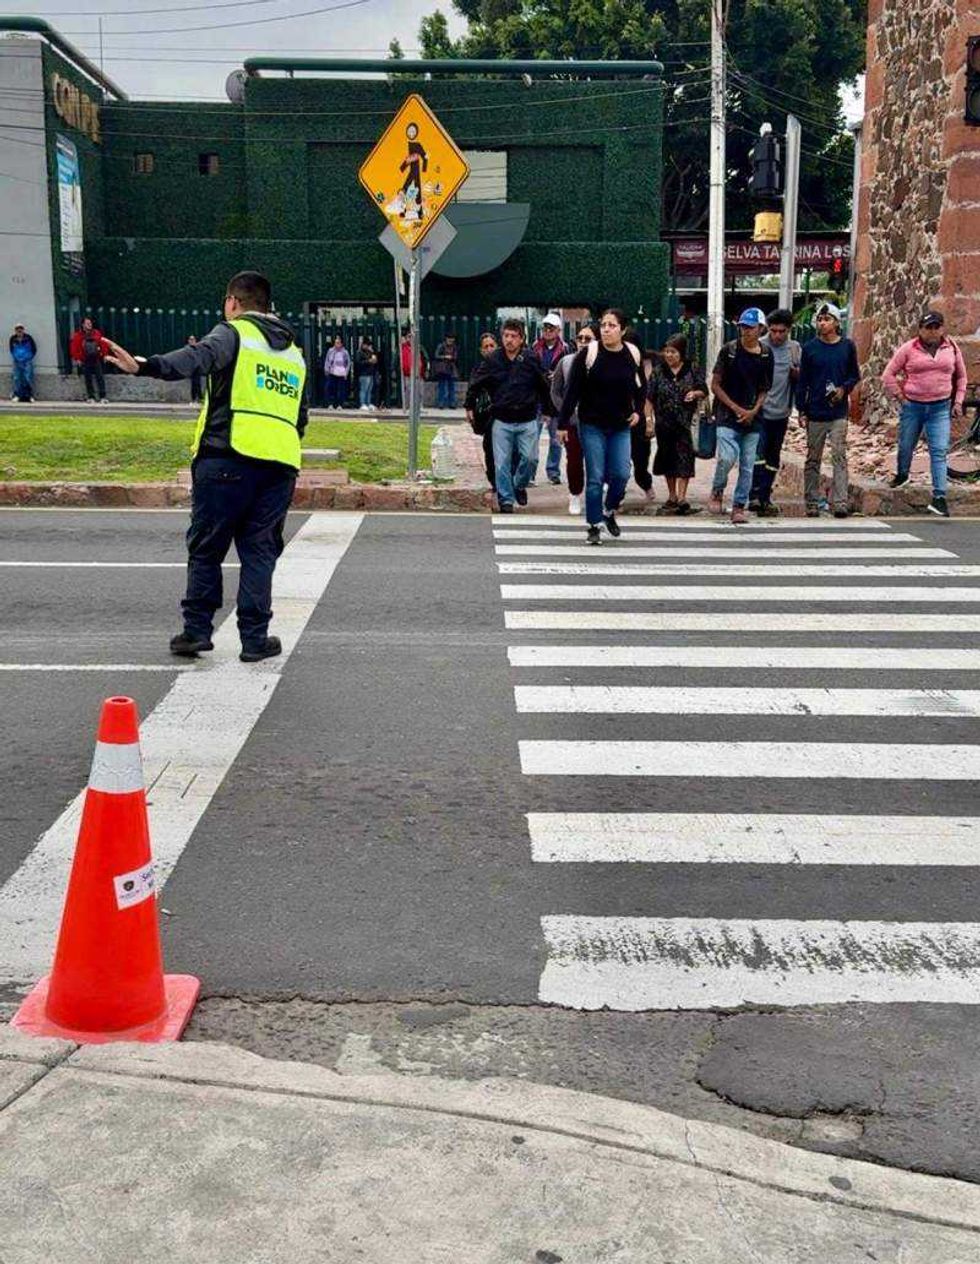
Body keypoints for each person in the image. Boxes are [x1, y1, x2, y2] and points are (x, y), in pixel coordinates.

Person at [103, 270, 307, 663]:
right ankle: (255, 639)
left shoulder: (234, 333)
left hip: (226, 458)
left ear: (233, 302)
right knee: (260, 553)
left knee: (207, 548)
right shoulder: (293, 353)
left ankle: (197, 631)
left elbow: (197, 357)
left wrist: (145, 365)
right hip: (280, 466)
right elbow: (300, 416)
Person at [556, 308, 646, 545]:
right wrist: (563, 423)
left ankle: (609, 510)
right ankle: (594, 525)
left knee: (621, 473)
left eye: (612, 325)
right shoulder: (589, 354)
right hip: (592, 424)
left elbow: (641, 387)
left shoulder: (632, 354)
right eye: (603, 325)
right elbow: (572, 391)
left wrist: (638, 411)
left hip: (620, 425)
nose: (606, 329)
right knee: (595, 476)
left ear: (622, 330)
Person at [882, 309, 966, 518]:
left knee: (939, 451)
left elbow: (961, 376)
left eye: (936, 327)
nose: (932, 331)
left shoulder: (951, 348)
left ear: (942, 328)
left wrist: (958, 401)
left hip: (940, 407)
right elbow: (888, 374)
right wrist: (900, 397)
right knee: (906, 445)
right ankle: (902, 474)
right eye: (928, 327)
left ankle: (939, 497)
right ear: (920, 329)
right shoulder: (909, 349)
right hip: (913, 406)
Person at [465, 317, 551, 514]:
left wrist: (547, 410)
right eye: (506, 336)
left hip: (527, 418)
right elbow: (477, 383)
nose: (509, 340)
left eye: (513, 336)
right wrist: (469, 405)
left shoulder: (531, 359)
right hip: (501, 419)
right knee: (501, 462)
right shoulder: (493, 360)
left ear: (521, 339)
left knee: (530, 459)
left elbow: (543, 384)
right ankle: (506, 499)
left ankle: (518, 485)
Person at [708, 308, 774, 524]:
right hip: (727, 415)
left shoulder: (766, 355)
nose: (746, 331)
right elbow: (715, 385)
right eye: (743, 327)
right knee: (727, 457)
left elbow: (765, 388)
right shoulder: (729, 351)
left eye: (750, 327)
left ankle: (739, 505)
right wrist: (735, 408)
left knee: (747, 465)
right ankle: (717, 489)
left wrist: (753, 410)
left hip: (753, 418)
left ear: (761, 329)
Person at [798, 300, 860, 518]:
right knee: (813, 458)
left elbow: (854, 375)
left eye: (827, 319)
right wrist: (801, 409)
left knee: (839, 455)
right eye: (820, 319)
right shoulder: (810, 349)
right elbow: (803, 381)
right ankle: (811, 501)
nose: (822, 323)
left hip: (838, 412)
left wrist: (844, 389)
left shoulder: (847, 346)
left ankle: (840, 501)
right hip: (815, 411)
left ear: (836, 323)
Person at [748, 309, 801, 517]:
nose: (777, 335)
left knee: (773, 457)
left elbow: (801, 378)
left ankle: (765, 496)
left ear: (789, 330)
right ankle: (754, 495)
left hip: (782, 412)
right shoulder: (759, 346)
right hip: (760, 411)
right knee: (758, 454)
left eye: (782, 331)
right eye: (774, 331)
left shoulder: (794, 349)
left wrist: (796, 375)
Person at [648, 334, 707, 515]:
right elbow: (649, 397)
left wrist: (695, 394)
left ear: (681, 353)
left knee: (685, 458)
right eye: (667, 352)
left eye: (673, 352)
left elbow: (703, 390)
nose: (669, 355)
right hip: (664, 423)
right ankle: (672, 496)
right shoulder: (658, 371)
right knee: (668, 458)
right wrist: (649, 420)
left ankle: (682, 497)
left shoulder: (692, 369)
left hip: (685, 423)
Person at [550, 325, 595, 515]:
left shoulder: (602, 361)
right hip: (572, 421)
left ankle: (598, 493)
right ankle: (575, 493)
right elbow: (555, 391)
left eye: (588, 339)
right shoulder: (566, 362)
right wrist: (566, 412)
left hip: (596, 421)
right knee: (574, 459)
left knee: (597, 460)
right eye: (580, 338)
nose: (583, 342)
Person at [531, 313, 569, 485]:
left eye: (551, 328)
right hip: (537, 398)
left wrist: (558, 376)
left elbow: (570, 371)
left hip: (555, 399)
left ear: (558, 330)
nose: (547, 331)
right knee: (532, 439)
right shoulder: (534, 347)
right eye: (545, 327)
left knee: (555, 440)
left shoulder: (565, 349)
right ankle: (530, 474)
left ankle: (553, 472)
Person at [468, 330, 499, 494]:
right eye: (485, 347)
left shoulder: (505, 364)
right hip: (487, 414)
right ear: (481, 350)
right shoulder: (479, 368)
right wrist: (469, 408)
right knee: (490, 447)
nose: (489, 349)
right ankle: (493, 480)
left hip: (505, 412)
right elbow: (473, 388)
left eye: (492, 346)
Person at [69, 316, 108, 403]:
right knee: (88, 378)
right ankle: (91, 396)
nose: (90, 325)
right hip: (85, 359)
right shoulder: (78, 335)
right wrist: (77, 358)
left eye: (90, 323)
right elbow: (74, 347)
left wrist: (105, 354)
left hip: (96, 358)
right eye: (87, 323)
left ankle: (103, 396)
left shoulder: (96, 333)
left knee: (100, 377)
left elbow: (103, 343)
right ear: (83, 325)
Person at [9, 323, 37, 403]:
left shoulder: (28, 338)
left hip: (27, 361)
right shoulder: (13, 339)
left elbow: (34, 349)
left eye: (21, 329)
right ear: (15, 330)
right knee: (17, 378)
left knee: (28, 378)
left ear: (23, 330)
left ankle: (29, 395)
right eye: (17, 329)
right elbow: (11, 349)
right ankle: (17, 395)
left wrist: (29, 357)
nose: (19, 330)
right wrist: (16, 357)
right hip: (17, 361)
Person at [432, 331, 460, 409]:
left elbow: (455, 357)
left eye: (452, 339)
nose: (450, 341)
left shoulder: (454, 347)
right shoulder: (441, 346)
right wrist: (445, 357)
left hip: (450, 368)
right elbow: (436, 355)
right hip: (443, 368)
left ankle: (452, 403)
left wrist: (452, 357)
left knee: (451, 386)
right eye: (449, 339)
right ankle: (441, 403)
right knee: (442, 385)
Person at [324, 334, 350, 408]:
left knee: (340, 390)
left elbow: (348, 363)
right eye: (336, 343)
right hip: (332, 372)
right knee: (331, 389)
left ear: (341, 344)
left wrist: (346, 372)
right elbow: (327, 360)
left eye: (338, 343)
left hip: (341, 373)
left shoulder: (345, 352)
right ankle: (330, 404)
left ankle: (339, 404)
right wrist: (326, 369)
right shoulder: (331, 351)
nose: (337, 344)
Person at [355, 336, 378, 411]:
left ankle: (368, 403)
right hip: (364, 374)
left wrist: (373, 358)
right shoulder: (359, 352)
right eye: (367, 345)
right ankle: (362, 403)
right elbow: (358, 363)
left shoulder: (369, 352)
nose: (368, 346)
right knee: (364, 389)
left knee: (369, 390)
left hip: (370, 373)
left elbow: (374, 360)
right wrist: (369, 361)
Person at [186, 335, 204, 403]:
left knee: (198, 383)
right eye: (190, 339)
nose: (192, 341)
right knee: (193, 384)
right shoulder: (187, 349)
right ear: (188, 341)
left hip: (198, 368)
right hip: (191, 368)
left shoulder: (198, 348)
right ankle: (194, 398)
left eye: (193, 339)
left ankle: (200, 398)